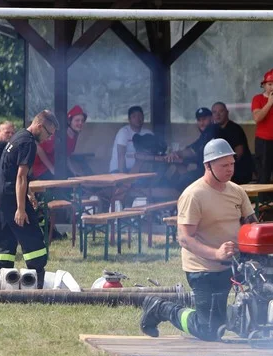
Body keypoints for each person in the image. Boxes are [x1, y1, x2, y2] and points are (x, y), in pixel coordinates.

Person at [139, 138, 257, 341]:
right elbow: (184, 239)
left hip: (231, 266)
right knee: (208, 330)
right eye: (223, 165)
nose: (230, 170)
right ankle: (162, 308)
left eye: (231, 164)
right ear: (207, 166)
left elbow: (252, 226)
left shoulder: (237, 192)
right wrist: (216, 253)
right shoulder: (194, 195)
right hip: (202, 269)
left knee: (226, 320)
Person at [0, 111, 59, 281]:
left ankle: (1, 276)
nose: (48, 138)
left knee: (4, 235)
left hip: (0, 193)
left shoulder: (19, 136)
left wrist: (29, 193)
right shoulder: (28, 143)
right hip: (11, 196)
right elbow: (21, 176)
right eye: (48, 133)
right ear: (39, 126)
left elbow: (12, 171)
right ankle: (36, 276)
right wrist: (21, 209)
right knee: (30, 231)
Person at [32, 105, 86, 179]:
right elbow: (39, 148)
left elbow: (65, 156)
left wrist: (73, 171)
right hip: (42, 170)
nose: (80, 123)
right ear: (69, 121)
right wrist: (51, 168)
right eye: (77, 120)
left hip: (56, 169)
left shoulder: (74, 136)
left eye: (82, 120)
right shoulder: (58, 135)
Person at [211, 102, 253, 184]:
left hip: (238, 170)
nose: (218, 115)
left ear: (227, 112)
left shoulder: (235, 129)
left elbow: (239, 152)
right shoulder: (213, 129)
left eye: (221, 111)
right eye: (214, 112)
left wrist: (225, 165)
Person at [109, 105, 145, 173]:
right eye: (134, 116)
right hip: (118, 170)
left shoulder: (147, 133)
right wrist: (122, 177)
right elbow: (121, 156)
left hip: (137, 170)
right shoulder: (124, 132)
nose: (137, 118)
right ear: (129, 120)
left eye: (140, 115)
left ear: (143, 118)